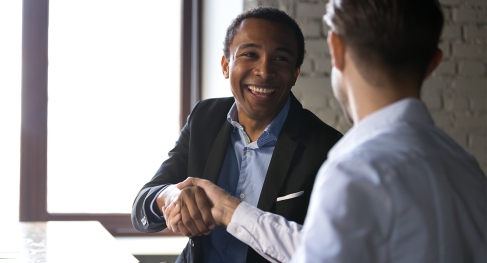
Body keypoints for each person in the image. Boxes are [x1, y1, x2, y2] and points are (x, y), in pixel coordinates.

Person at [165, 0, 487, 262]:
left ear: (336, 48)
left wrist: (226, 210)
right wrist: (226, 209)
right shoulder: (467, 168)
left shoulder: (354, 168)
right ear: (434, 62)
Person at [131, 6, 343, 263]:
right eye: (250, 54)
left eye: (280, 59)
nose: (264, 72)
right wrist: (170, 196)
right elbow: (143, 204)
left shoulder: (328, 149)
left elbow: (328, 251)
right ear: (225, 66)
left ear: (296, 73)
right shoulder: (204, 117)